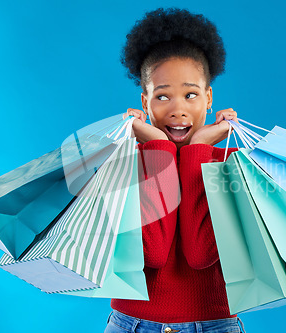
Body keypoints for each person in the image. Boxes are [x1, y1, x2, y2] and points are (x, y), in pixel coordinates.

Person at [104, 8, 245, 333]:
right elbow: (151, 253)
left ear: (208, 98)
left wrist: (198, 150)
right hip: (131, 324)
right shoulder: (126, 161)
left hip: (216, 325)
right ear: (145, 103)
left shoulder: (231, 162)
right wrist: (157, 149)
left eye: (191, 94)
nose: (178, 109)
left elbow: (200, 253)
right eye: (163, 96)